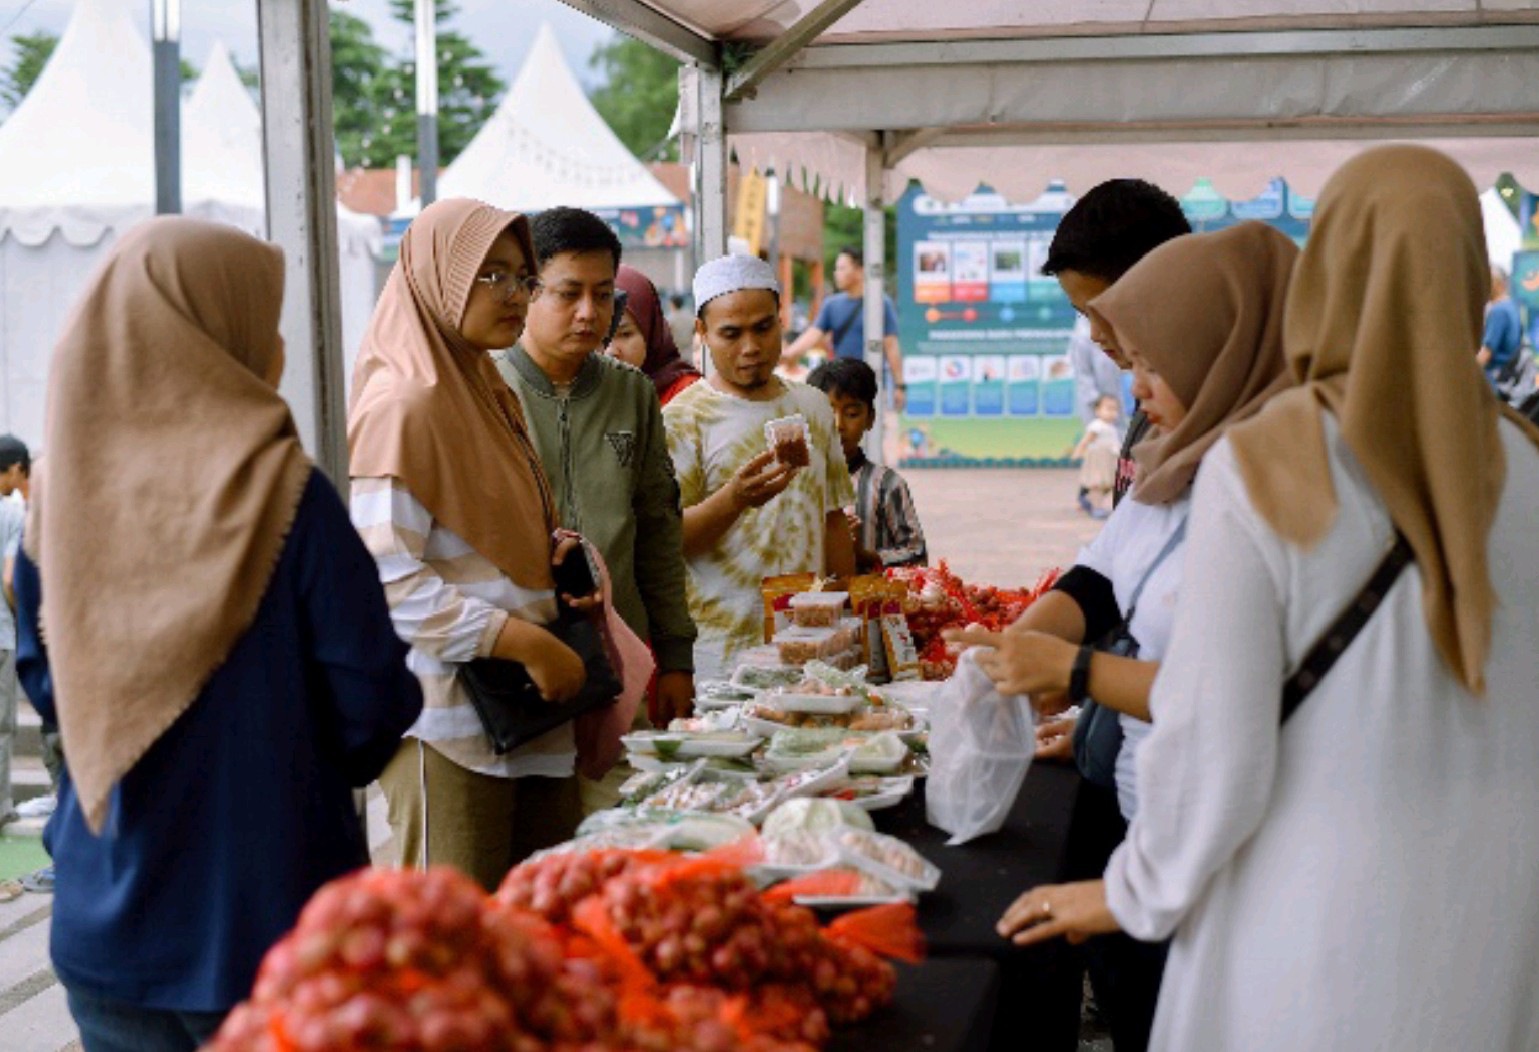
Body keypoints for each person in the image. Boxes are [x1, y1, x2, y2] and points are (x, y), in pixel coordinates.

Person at [1000, 146, 1539, 1052]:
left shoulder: (1269, 458)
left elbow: (1214, 729)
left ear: (1326, 272)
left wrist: (1132, 892)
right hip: (1495, 928)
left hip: (1311, 927)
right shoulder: (1523, 460)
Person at [12, 217, 422, 1049]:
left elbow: (48, 685)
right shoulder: (286, 495)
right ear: (209, 338)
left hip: (103, 918)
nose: (277, 345)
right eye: (260, 320)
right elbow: (372, 700)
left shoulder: (55, 499)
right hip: (271, 919)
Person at [952, 220, 1299, 1052]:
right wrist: (1012, 652)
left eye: (1150, 360)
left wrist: (1074, 672)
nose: (1133, 385)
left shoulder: (1275, 488)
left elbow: (1239, 697)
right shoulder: (1179, 456)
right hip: (1155, 825)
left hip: (1224, 853)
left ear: (1218, 351)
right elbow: (1099, 577)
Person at [350, 198, 596, 891]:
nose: (515, 295)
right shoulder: (404, 404)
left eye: (523, 277)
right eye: (492, 275)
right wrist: (523, 642)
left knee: (534, 929)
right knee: (453, 937)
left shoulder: (485, 389)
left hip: (529, 714)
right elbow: (385, 580)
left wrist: (558, 561)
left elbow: (486, 541)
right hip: (450, 727)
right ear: (437, 278)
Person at [494, 211, 695, 738]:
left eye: (603, 295)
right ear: (529, 290)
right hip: (520, 663)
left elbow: (658, 529)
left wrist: (676, 656)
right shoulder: (486, 389)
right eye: (569, 294)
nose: (589, 313)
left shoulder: (632, 392)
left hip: (619, 660)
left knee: (620, 788)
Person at [665, 254, 857, 679]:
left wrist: (848, 618)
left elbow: (833, 520)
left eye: (763, 327)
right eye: (731, 333)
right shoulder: (682, 419)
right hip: (721, 653)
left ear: (781, 320)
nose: (750, 347)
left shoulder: (813, 406)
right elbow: (667, 540)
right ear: (702, 333)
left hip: (813, 647)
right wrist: (734, 500)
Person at [1043, 180, 1192, 508]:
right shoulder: (1150, 401)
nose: (1095, 334)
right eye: (1084, 315)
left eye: (1108, 311)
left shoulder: (1196, 420)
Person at [806, 357, 928, 571]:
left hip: (868, 592)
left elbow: (917, 556)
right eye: (827, 413)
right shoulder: (795, 482)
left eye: (851, 414)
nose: (838, 425)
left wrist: (863, 556)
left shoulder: (887, 484)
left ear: (870, 419)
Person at [781, 247, 906, 411]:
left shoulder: (881, 303)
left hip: (871, 385)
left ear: (859, 271)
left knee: (873, 426)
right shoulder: (831, 305)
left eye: (841, 268)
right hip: (840, 385)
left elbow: (891, 345)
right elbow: (812, 335)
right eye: (836, 269)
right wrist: (787, 355)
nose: (836, 273)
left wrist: (899, 385)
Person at [611, 265, 703, 407]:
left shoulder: (690, 399)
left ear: (651, 332)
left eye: (625, 334)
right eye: (598, 336)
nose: (610, 351)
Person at [0, 435, 28, 832]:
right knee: (2, 725)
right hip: (1, 635)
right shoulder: (12, 513)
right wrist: (19, 616)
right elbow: (10, 579)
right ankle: (1, 805)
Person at [1072, 395, 1123, 518]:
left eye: (1115, 409)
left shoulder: (1112, 428)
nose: (1112, 413)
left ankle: (1086, 500)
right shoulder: (1097, 425)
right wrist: (1078, 451)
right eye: (1108, 409)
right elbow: (1086, 440)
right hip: (1098, 460)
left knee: (1108, 485)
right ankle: (1097, 507)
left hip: (1109, 461)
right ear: (1097, 411)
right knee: (1097, 485)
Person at [1478, 265, 1524, 394]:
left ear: (1497, 284)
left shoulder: (1498, 311)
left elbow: (1487, 352)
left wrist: (1464, 371)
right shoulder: (1511, 306)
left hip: (1495, 379)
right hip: (1511, 376)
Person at [666, 291, 696, 361]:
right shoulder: (689, 315)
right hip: (689, 350)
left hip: (676, 351)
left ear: (672, 304)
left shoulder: (671, 318)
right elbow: (694, 331)